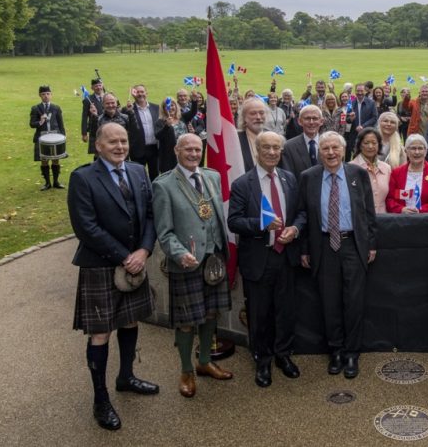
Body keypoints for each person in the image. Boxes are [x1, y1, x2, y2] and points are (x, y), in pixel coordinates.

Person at [67, 123, 159, 431]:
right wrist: (125, 257)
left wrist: (144, 250)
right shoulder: (82, 178)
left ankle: (126, 377)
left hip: (136, 260)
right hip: (101, 265)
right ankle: (100, 399)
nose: (120, 146)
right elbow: (86, 227)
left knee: (131, 321)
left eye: (123, 141)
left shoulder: (136, 171)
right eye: (112, 142)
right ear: (98, 145)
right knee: (101, 333)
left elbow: (149, 215)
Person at [152, 134, 233, 398]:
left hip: (213, 260)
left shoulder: (212, 177)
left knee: (211, 314)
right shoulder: (164, 185)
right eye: (187, 149)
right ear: (176, 150)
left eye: (197, 149)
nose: (193, 153)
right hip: (187, 263)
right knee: (186, 322)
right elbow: (164, 232)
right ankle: (186, 370)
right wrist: (179, 254)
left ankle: (205, 361)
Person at [297, 131, 377, 379]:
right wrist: (304, 249)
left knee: (353, 302)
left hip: (352, 245)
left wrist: (371, 245)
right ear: (319, 152)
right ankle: (336, 351)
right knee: (329, 302)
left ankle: (352, 353)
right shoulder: (308, 177)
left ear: (343, 151)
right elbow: (303, 215)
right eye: (325, 149)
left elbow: (369, 214)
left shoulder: (358, 174)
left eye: (335, 148)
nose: (330, 153)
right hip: (323, 246)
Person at [228, 131, 306, 387]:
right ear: (257, 152)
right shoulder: (242, 184)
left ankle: (283, 355)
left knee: (286, 311)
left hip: (286, 257)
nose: (272, 152)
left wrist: (295, 229)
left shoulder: (289, 178)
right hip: (259, 258)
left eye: (276, 148)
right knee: (259, 314)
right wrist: (261, 224)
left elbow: (301, 213)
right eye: (266, 148)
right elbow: (234, 222)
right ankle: (262, 361)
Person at [386, 134, 428, 213]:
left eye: (420, 148)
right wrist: (401, 209)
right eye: (413, 148)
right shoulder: (396, 173)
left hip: (427, 220)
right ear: (406, 151)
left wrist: (420, 210)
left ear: (425, 151)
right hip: (401, 220)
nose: (417, 152)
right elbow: (389, 200)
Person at [30, 85, 66, 190]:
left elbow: (61, 123)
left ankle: (56, 181)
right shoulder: (36, 108)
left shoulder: (56, 108)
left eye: (48, 94)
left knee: (55, 159)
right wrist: (40, 121)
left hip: (56, 136)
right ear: (39, 95)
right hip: (42, 137)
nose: (46, 96)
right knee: (44, 160)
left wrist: (63, 137)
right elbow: (32, 124)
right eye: (43, 94)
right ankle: (47, 183)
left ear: (51, 95)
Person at [350, 127, 392, 215]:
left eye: (374, 143)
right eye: (366, 143)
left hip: (383, 220)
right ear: (360, 145)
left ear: (379, 145)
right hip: (359, 220)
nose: (370, 146)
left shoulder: (386, 168)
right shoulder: (351, 167)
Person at [126, 84, 161, 180]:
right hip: (137, 149)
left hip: (154, 149)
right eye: (137, 92)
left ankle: (155, 194)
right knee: (138, 177)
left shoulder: (156, 108)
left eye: (142, 91)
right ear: (133, 94)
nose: (140, 94)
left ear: (146, 93)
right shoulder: (128, 109)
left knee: (155, 176)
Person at [280, 104, 323, 179]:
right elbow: (288, 177)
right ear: (299, 121)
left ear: (321, 121)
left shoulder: (329, 145)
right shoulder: (289, 146)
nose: (311, 122)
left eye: (315, 118)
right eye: (307, 118)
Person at [155, 98, 188, 174]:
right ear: (164, 109)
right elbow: (157, 136)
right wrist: (167, 126)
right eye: (167, 106)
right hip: (168, 157)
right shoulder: (160, 122)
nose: (170, 108)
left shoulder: (181, 119)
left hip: (183, 154)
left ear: (176, 107)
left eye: (172, 105)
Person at [237, 97, 268, 172]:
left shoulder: (274, 138)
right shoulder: (235, 140)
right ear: (244, 117)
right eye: (253, 113)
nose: (258, 117)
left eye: (261, 113)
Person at [81, 78, 105, 155]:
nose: (98, 87)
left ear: (102, 86)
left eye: (100, 85)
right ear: (92, 88)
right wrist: (84, 133)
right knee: (97, 152)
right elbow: (84, 117)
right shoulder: (88, 100)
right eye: (96, 86)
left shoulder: (108, 97)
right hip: (95, 129)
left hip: (108, 127)